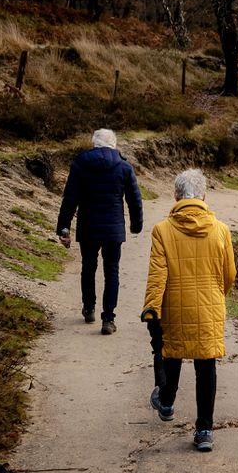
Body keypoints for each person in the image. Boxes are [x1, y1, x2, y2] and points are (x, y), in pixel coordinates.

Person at [142, 169, 236, 452]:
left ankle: (167, 401)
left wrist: (151, 308)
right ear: (204, 196)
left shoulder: (162, 230)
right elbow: (229, 273)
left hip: (174, 305)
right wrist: (217, 295)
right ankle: (204, 430)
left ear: (176, 196)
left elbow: (157, 274)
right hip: (210, 305)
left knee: (172, 353)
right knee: (206, 365)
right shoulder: (221, 229)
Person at [57, 128, 143, 335]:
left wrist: (64, 227)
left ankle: (89, 308)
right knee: (111, 271)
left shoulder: (80, 164)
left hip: (88, 227)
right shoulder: (124, 167)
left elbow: (70, 198)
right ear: (113, 144)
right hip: (113, 229)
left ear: (94, 143)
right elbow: (134, 199)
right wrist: (136, 225)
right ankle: (108, 318)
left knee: (88, 266)